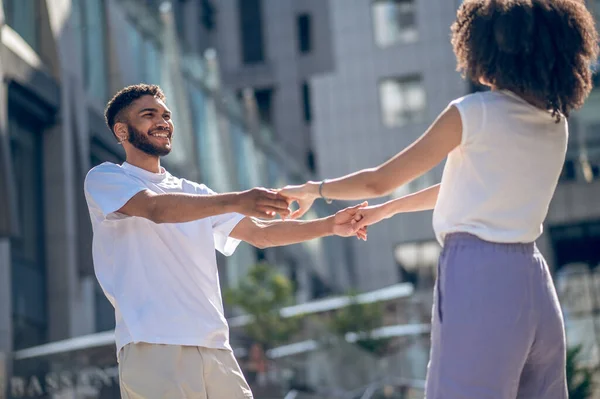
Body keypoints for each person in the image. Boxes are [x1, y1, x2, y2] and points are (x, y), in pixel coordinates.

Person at [280, 1, 599, 398]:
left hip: (480, 275)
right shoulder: (556, 125)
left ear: (494, 49)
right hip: (534, 280)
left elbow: (378, 180)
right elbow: (470, 184)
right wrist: (389, 210)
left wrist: (315, 189)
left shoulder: (473, 113)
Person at [84, 84, 366, 399]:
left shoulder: (195, 192)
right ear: (121, 131)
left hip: (215, 346)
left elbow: (261, 233)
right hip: (153, 344)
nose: (162, 122)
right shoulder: (106, 178)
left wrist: (330, 225)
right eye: (149, 115)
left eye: (166, 115)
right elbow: (155, 208)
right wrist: (235, 200)